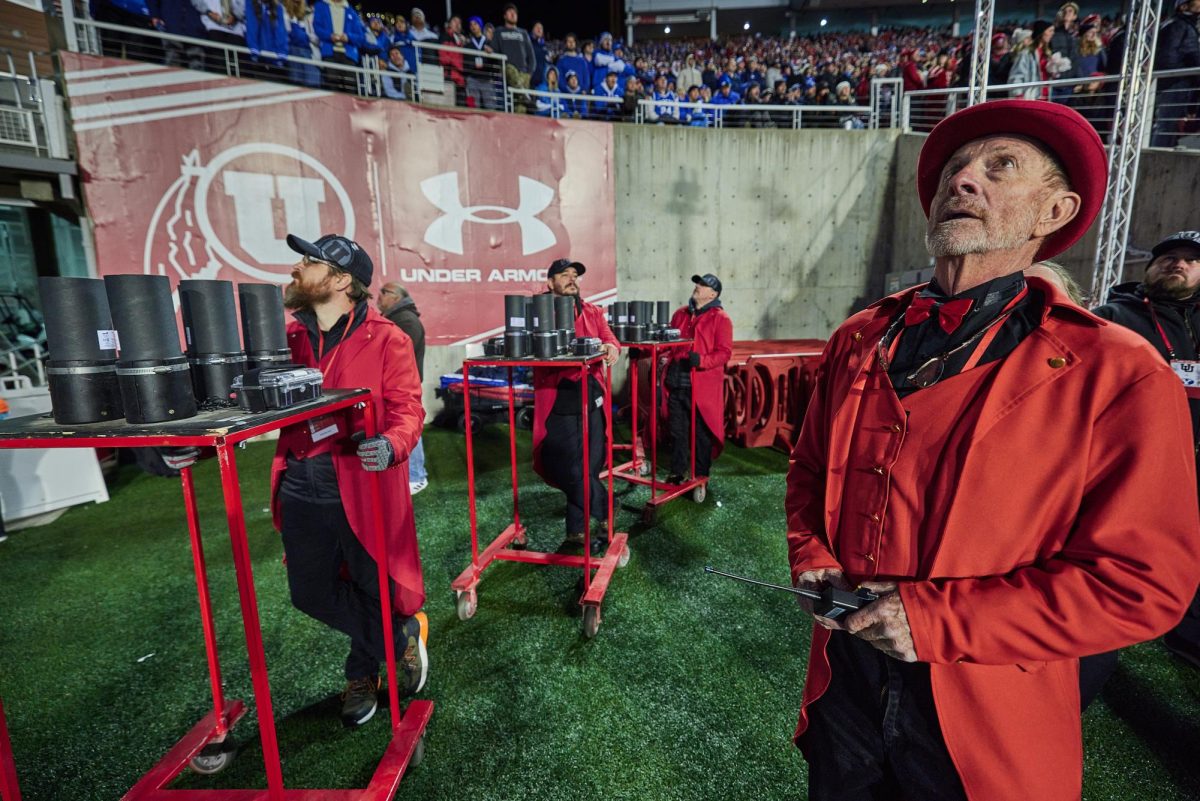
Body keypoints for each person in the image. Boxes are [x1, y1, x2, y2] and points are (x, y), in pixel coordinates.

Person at [785, 99, 1200, 801]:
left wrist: (939, 619)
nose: (963, 179)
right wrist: (813, 556)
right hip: (845, 686)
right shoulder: (858, 337)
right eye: (955, 167)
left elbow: (1142, 583)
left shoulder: (1117, 370)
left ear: (1054, 211)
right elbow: (807, 472)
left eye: (1000, 167)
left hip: (984, 714)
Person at [274, 233, 428, 728]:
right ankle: (398, 639)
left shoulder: (389, 338)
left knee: (369, 583)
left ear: (342, 281)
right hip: (300, 479)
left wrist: (391, 444)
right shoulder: (290, 338)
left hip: (361, 480)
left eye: (309, 262)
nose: (297, 269)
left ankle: (361, 672)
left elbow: (408, 410)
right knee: (310, 592)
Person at [1091, 230, 1200, 672]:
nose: (1178, 264)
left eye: (1191, 261)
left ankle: (1187, 640)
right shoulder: (1113, 317)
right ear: (1148, 268)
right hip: (1135, 464)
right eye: (1168, 257)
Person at [532, 259, 620, 549]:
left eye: (575, 275)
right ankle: (604, 507)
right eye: (564, 275)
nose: (572, 279)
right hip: (559, 398)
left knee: (590, 465)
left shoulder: (592, 311)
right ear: (550, 283)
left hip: (592, 395)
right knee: (568, 467)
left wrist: (611, 347)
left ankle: (576, 531)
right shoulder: (537, 312)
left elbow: (610, 339)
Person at [664, 274, 732, 489]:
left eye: (703, 285)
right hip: (677, 382)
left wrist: (702, 360)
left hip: (701, 388)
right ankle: (677, 470)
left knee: (701, 435)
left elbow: (724, 353)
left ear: (713, 294)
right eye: (698, 283)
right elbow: (669, 343)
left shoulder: (721, 319)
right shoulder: (680, 314)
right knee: (677, 432)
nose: (697, 287)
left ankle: (700, 476)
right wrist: (662, 355)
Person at [378, 282, 428, 494]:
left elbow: (397, 355)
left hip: (405, 384)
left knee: (408, 425)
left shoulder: (405, 320)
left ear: (396, 297)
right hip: (400, 382)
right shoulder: (397, 319)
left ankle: (417, 476)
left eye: (384, 292)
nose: (378, 296)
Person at [1151, 0, 1200, 148]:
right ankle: (1159, 156)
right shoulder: (1182, 25)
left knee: (1166, 124)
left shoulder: (1173, 23)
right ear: (1183, 6)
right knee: (1167, 124)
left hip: (1171, 81)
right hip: (1175, 82)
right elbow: (1190, 54)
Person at [490, 3, 536, 113]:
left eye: (515, 13)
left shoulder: (523, 33)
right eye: (510, 12)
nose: (513, 14)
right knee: (509, 68)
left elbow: (531, 56)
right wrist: (490, 51)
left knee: (520, 107)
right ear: (504, 16)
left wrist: (529, 74)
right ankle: (526, 96)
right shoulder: (499, 31)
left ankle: (525, 97)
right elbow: (494, 50)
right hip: (508, 73)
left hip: (523, 74)